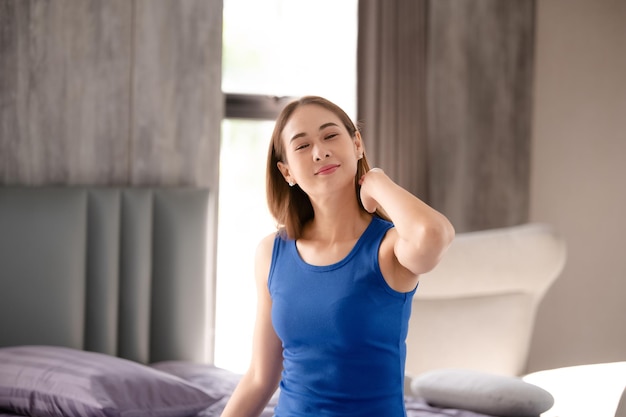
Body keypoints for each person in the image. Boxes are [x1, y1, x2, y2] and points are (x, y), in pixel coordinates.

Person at [220, 96, 455, 417]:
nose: (320, 151)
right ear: (286, 171)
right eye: (302, 146)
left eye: (330, 136)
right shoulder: (271, 253)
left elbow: (433, 235)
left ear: (357, 144)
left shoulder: (389, 248)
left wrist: (376, 181)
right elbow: (260, 378)